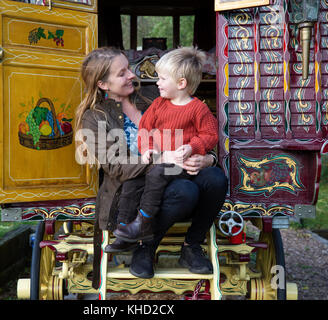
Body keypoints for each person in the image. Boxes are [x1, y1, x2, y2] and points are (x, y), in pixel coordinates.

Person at [75, 47, 227, 280]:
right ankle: (146, 246)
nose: (132, 75)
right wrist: (161, 158)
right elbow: (115, 166)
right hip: (136, 186)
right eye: (122, 72)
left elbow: (199, 132)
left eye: (128, 68)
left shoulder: (153, 96)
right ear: (103, 84)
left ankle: (191, 245)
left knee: (216, 179)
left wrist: (207, 159)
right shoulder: (94, 117)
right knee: (184, 191)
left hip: (178, 170)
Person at [112, 47, 219, 246]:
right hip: (159, 162)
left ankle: (144, 220)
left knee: (157, 173)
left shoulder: (198, 109)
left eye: (161, 79)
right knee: (132, 183)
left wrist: (192, 147)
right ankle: (123, 232)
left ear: (181, 83)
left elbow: (210, 135)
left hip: (182, 165)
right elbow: (145, 128)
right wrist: (148, 149)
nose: (157, 83)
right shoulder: (159, 104)